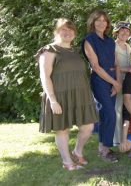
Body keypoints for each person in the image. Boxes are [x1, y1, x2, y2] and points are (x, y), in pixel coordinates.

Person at [36, 18, 98, 170]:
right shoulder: (49, 50)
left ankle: (77, 151)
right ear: (56, 32)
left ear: (75, 34)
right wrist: (53, 100)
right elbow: (45, 76)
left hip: (80, 95)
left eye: (71, 30)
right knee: (62, 129)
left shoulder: (75, 51)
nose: (68, 32)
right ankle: (67, 162)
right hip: (59, 96)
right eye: (64, 29)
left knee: (88, 127)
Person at [82, 10, 121, 163]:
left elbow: (116, 63)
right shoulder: (88, 40)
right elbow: (96, 67)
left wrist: (118, 83)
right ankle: (105, 149)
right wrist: (114, 83)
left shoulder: (111, 41)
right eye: (98, 20)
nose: (101, 23)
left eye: (104, 20)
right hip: (99, 81)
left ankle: (102, 148)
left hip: (113, 80)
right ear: (92, 22)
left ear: (107, 23)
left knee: (107, 115)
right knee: (109, 114)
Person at [113, 21, 131, 146]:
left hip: (128, 81)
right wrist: (128, 69)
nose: (125, 32)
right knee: (118, 109)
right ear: (117, 32)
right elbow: (115, 67)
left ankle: (129, 137)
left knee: (128, 109)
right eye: (122, 30)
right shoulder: (113, 46)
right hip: (118, 79)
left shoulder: (128, 46)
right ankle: (117, 140)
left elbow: (129, 65)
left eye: (127, 30)